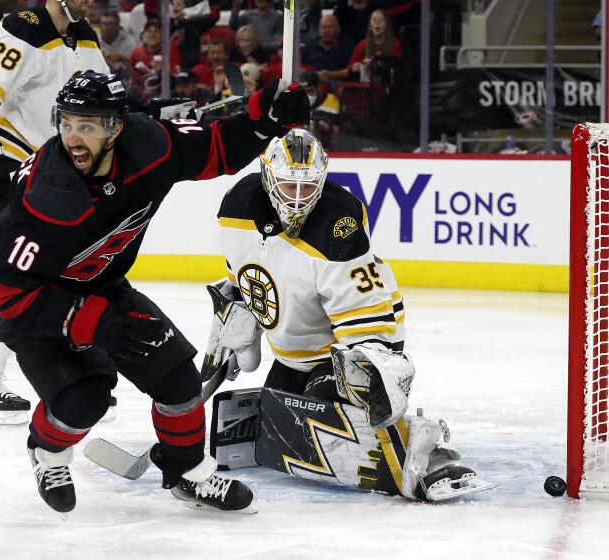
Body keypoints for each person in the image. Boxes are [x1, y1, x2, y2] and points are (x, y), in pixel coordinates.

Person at [0, 70, 309, 513]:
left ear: (116, 127)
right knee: (84, 399)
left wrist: (266, 116)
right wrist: (92, 322)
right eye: (67, 123)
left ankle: (188, 472)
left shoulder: (150, 147)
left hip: (102, 286)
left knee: (179, 380)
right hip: (36, 305)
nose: (73, 138)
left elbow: (214, 148)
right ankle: (47, 451)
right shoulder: (47, 196)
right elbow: (7, 302)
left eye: (87, 126)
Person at [204, 128, 495, 502]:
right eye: (288, 186)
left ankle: (427, 453)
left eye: (306, 188)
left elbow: (364, 319)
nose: (296, 199)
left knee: (332, 425)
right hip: (295, 352)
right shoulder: (237, 208)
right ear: (267, 176)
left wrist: (369, 375)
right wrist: (236, 333)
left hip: (350, 344)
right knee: (278, 431)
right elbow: (243, 279)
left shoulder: (337, 225)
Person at [0, 0, 111, 425]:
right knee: (10, 272)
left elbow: (107, 106)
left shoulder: (85, 37)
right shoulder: (25, 28)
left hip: (58, 178)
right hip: (16, 169)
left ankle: (69, 375)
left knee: (63, 273)